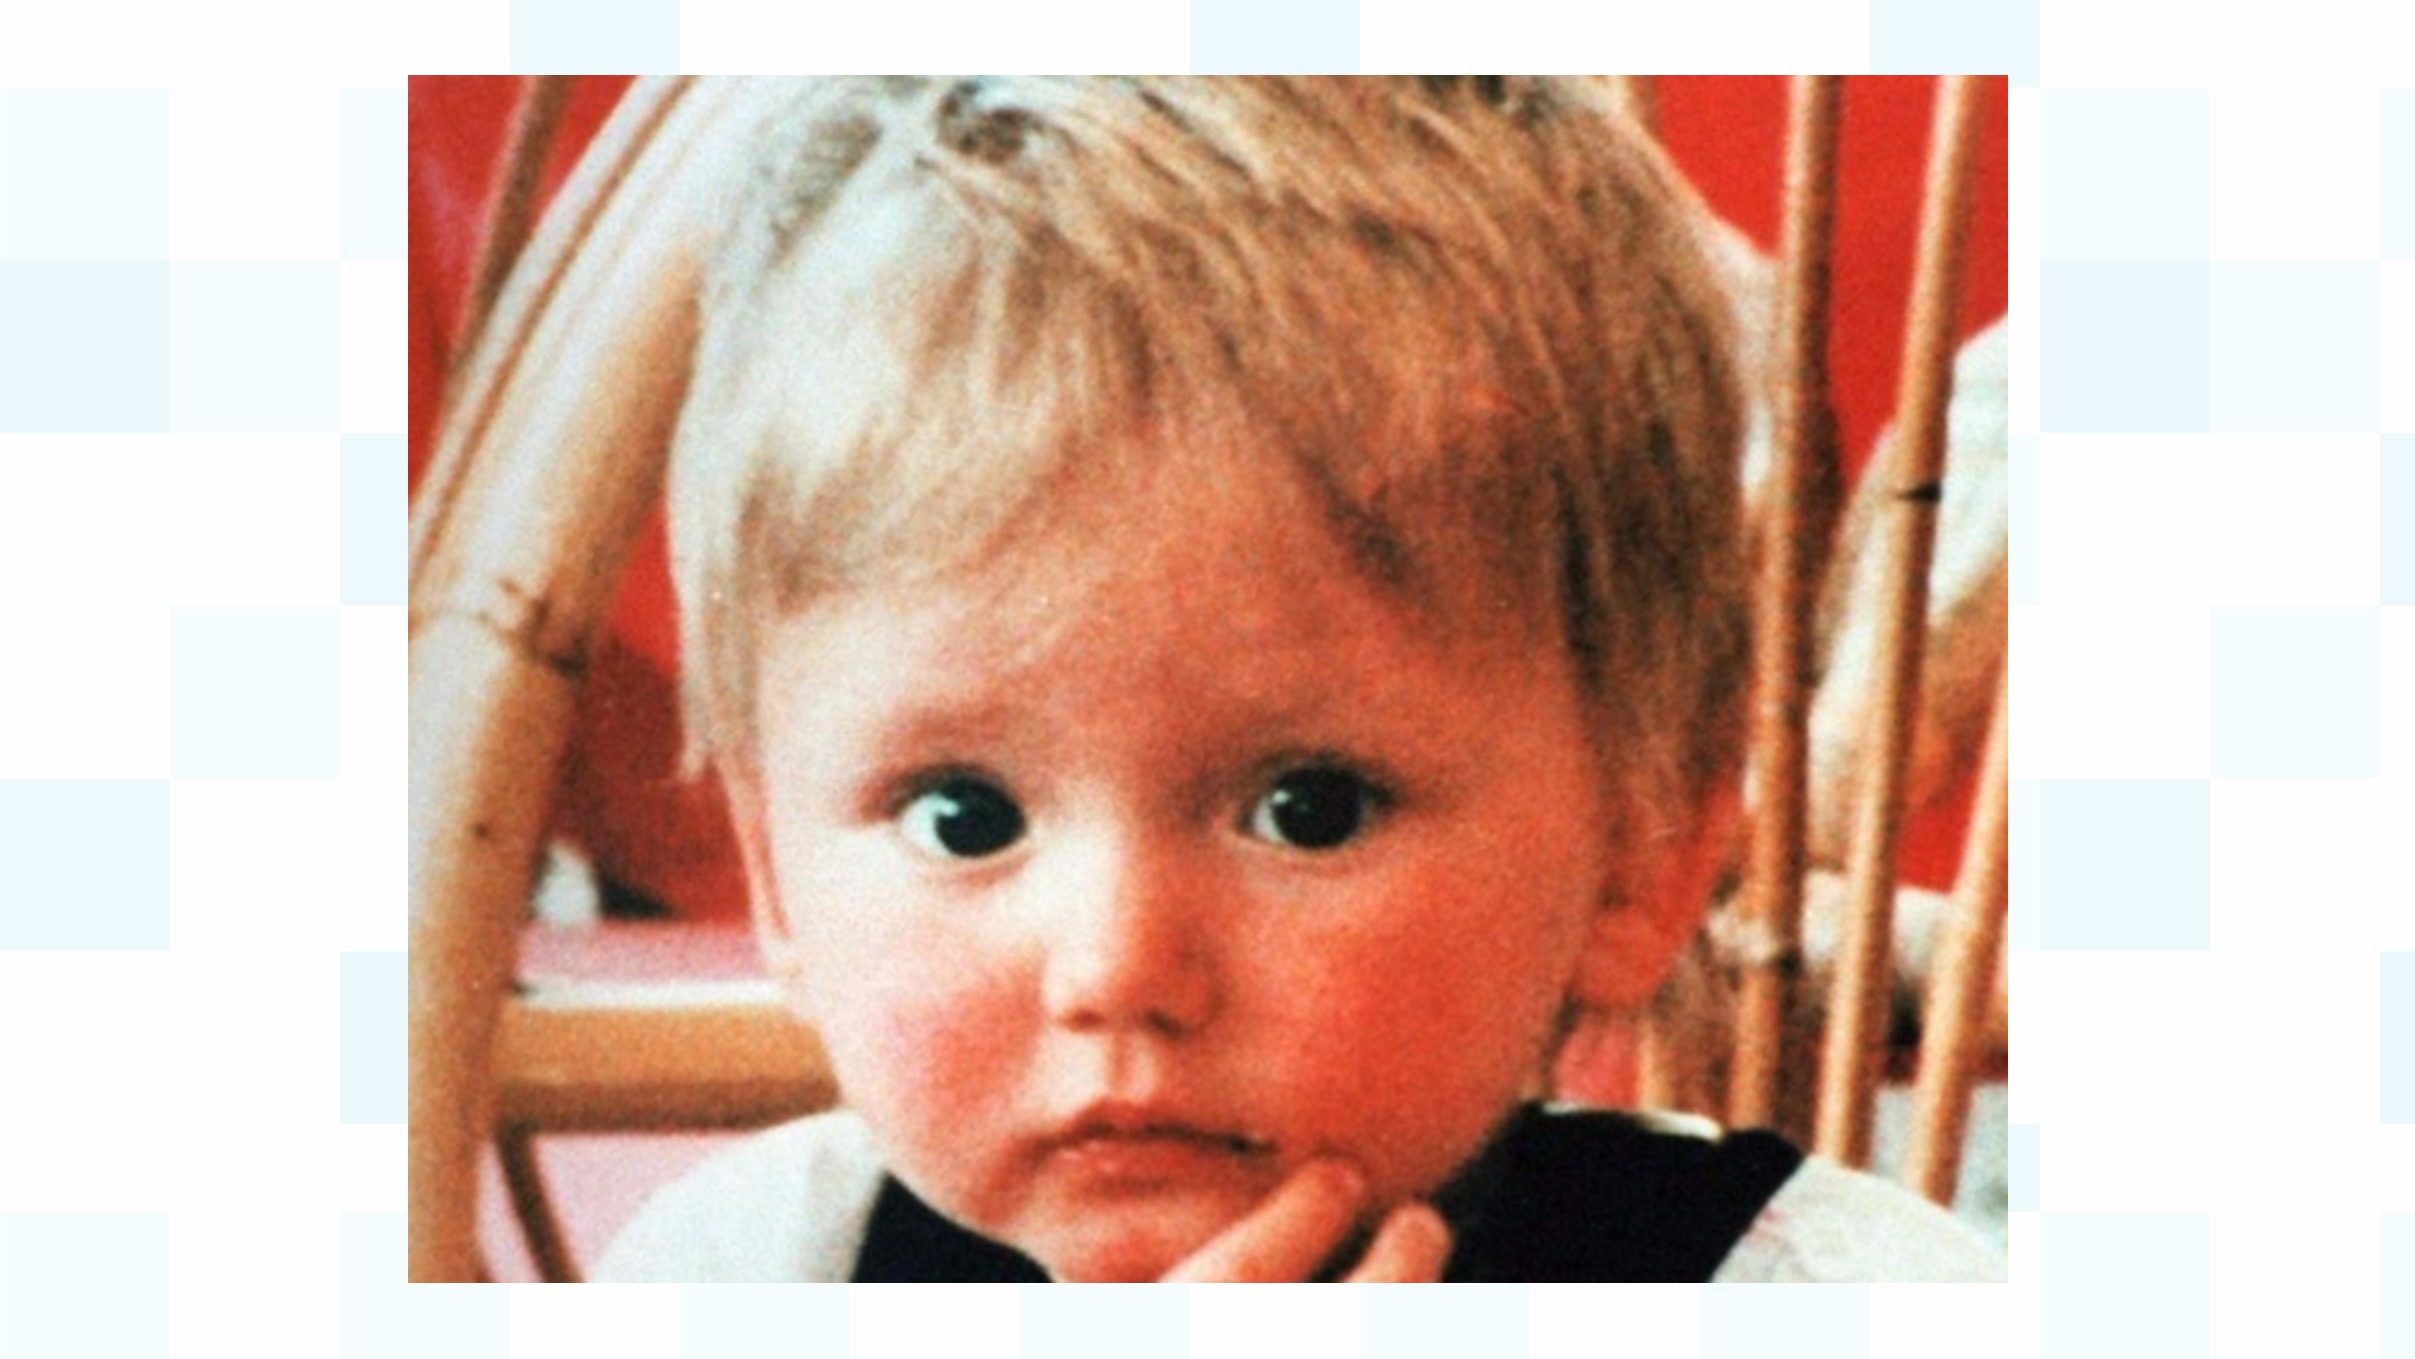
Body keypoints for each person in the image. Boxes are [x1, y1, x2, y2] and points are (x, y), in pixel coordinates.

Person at [592, 74, 2004, 1283]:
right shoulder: (750, 1269)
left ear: (1639, 856)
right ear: (776, 878)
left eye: (1307, 809)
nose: (1116, 969)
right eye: (964, 815)